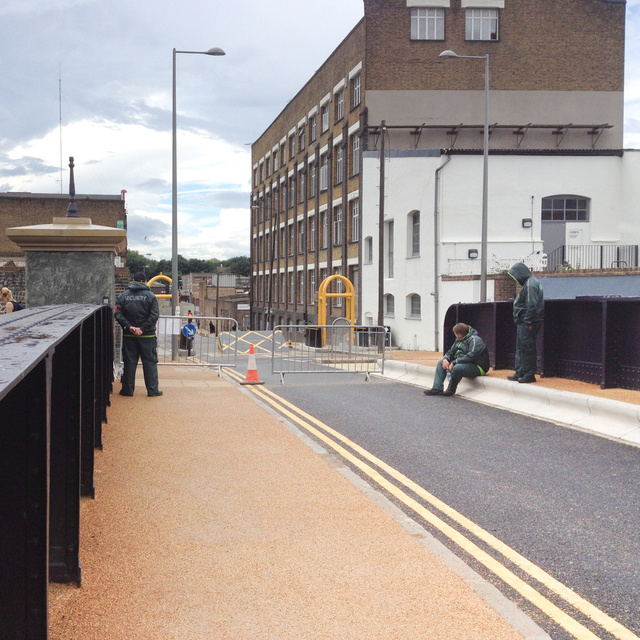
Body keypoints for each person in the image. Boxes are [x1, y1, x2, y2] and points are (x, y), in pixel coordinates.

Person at [114, 272, 163, 397]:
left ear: (133, 280)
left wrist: (130, 327)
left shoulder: (123, 296)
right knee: (150, 362)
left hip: (129, 335)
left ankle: (127, 390)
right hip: (147, 336)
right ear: (145, 281)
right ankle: (152, 390)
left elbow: (118, 314)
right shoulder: (151, 296)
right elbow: (154, 315)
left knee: (130, 362)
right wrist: (142, 328)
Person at [424, 323, 490, 396]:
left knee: (457, 368)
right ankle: (437, 388)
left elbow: (471, 356)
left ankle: (451, 389)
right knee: (441, 363)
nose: (455, 336)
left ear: (459, 334)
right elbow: (451, 352)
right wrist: (446, 359)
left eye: (456, 334)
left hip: (478, 366)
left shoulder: (475, 340)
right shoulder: (458, 340)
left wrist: (455, 362)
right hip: (463, 364)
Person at [507, 261, 544, 384]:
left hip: (527, 321)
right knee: (522, 347)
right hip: (524, 321)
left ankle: (529, 374)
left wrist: (528, 321)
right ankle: (521, 372)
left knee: (527, 347)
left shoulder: (530, 285)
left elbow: (531, 304)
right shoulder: (530, 283)